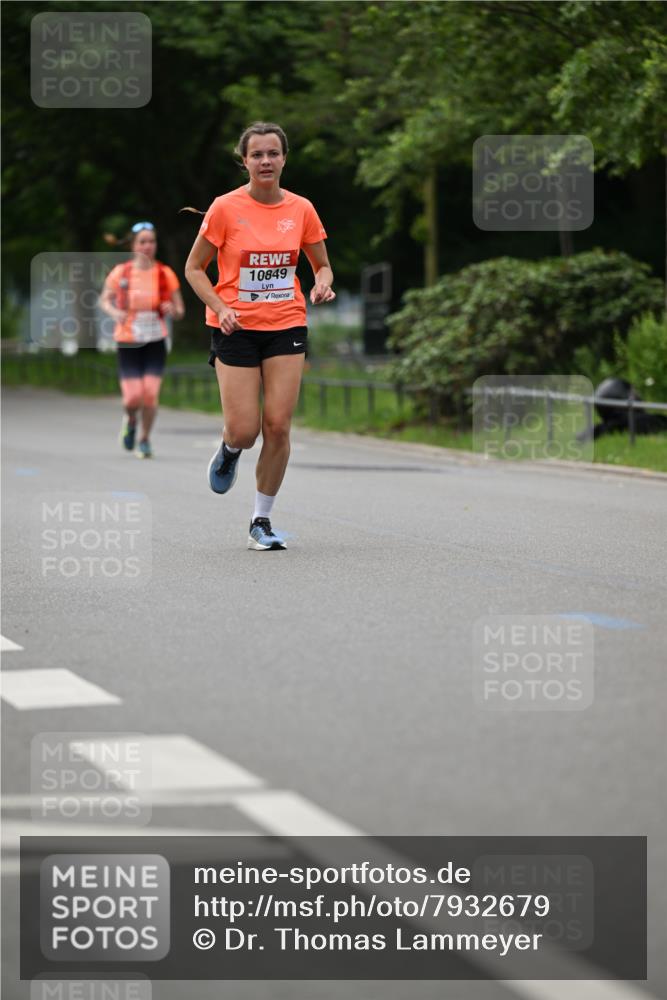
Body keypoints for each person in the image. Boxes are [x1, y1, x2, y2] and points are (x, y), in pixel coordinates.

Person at [184, 121, 335, 550]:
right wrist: (220, 306)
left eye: (273, 153)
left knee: (278, 426)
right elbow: (194, 268)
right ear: (245, 160)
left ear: (284, 158)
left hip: (286, 322)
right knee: (245, 430)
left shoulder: (301, 209)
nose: (265, 161)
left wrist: (321, 282)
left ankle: (261, 522)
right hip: (235, 327)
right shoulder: (225, 208)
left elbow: (322, 264)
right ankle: (230, 449)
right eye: (257, 155)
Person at [100, 222, 184, 458]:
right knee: (133, 397)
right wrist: (115, 312)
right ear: (133, 245)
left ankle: (145, 439)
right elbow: (104, 300)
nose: (148, 246)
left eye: (152, 241)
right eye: (143, 242)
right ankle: (130, 419)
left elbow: (180, 310)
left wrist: (172, 309)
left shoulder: (165, 273)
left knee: (150, 394)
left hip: (155, 340)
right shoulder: (122, 272)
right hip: (128, 340)